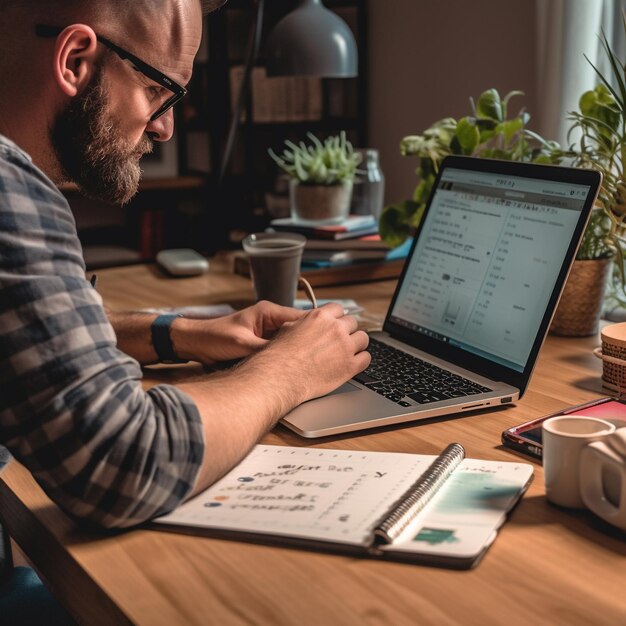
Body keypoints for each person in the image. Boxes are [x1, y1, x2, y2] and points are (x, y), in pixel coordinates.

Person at [0, 0, 370, 619]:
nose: (165, 128)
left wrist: (178, 334)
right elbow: (121, 460)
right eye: (157, 91)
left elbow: (28, 332)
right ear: (74, 60)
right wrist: (289, 371)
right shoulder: (9, 191)